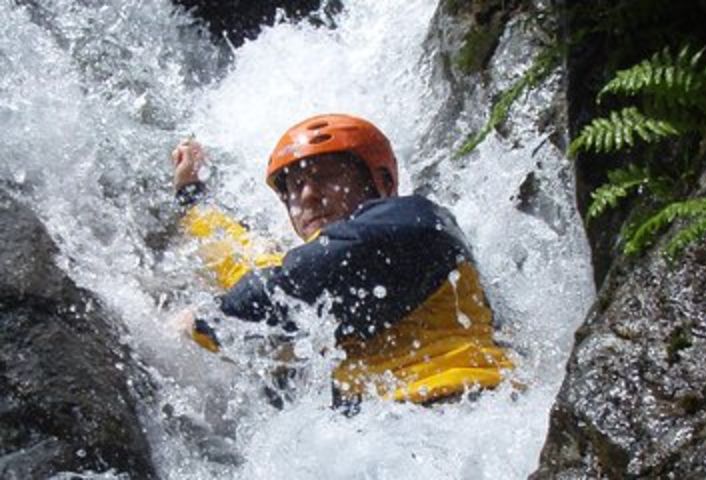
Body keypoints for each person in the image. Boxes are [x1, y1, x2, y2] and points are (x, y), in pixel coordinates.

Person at [171, 113, 513, 408]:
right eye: (296, 185)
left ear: (383, 182)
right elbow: (241, 258)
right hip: (383, 435)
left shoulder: (416, 221)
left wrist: (210, 319)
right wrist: (191, 196)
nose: (307, 194)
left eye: (326, 176)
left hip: (466, 403)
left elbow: (311, 273)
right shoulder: (307, 267)